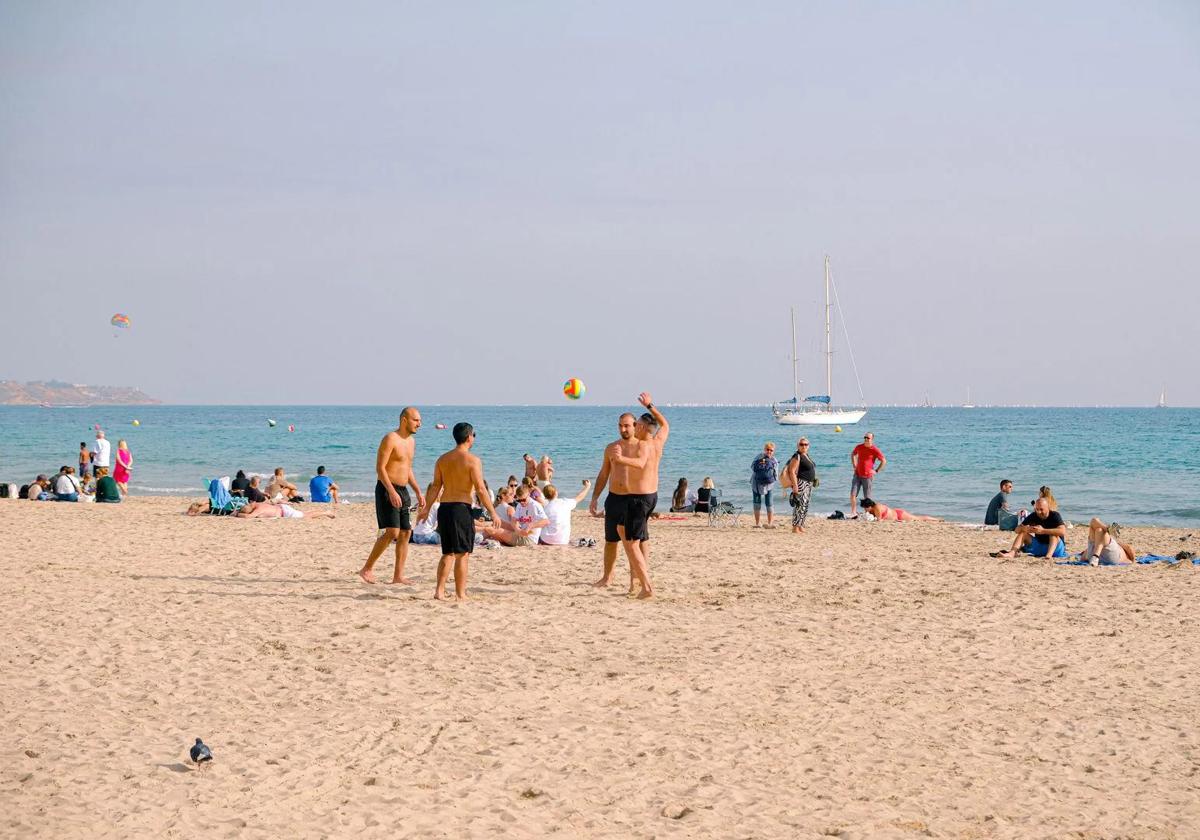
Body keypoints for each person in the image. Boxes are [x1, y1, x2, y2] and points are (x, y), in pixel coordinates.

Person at [593, 393, 668, 598]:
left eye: (628, 425)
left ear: (637, 426)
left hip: (637, 498)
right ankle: (610, 577)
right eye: (620, 426)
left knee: (635, 542)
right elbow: (603, 474)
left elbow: (641, 463)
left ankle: (641, 583)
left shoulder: (644, 444)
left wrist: (622, 459)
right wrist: (594, 498)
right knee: (614, 538)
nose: (623, 429)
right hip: (618, 498)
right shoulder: (613, 447)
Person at [419, 422, 497, 601]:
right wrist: (492, 512)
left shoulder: (442, 459)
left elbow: (436, 487)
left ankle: (439, 591)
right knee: (462, 554)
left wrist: (426, 508)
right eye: (473, 435)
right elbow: (480, 488)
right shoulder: (473, 460)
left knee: (448, 552)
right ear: (469, 437)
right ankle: (460, 594)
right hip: (461, 509)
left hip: (445, 509)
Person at [359, 407, 425, 585]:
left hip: (403, 491)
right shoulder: (390, 439)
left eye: (419, 420)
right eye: (416, 420)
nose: (420, 424)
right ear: (404, 420)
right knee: (392, 532)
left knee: (405, 533)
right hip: (386, 489)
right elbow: (380, 469)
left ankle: (398, 576)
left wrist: (418, 491)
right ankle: (367, 569)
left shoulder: (411, 442)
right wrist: (391, 491)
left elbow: (407, 468)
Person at [992, 498, 1067, 558]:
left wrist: (1043, 531)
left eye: (1041, 509)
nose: (1039, 512)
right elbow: (1017, 530)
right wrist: (1026, 529)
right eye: (1037, 509)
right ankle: (1012, 553)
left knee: (1053, 535)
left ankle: (1048, 556)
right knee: (1023, 534)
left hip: (1056, 548)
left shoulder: (1054, 515)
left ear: (1048, 508)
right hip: (1040, 547)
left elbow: (1062, 531)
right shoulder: (1034, 515)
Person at [781, 438, 817, 534]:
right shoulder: (797, 456)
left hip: (808, 484)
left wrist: (814, 478)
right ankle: (795, 527)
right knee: (799, 505)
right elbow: (792, 471)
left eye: (806, 444)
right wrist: (795, 486)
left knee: (805, 505)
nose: (804, 446)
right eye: (801, 444)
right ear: (798, 446)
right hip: (801, 483)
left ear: (808, 446)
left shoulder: (806, 455)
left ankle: (800, 525)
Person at [538, 480, 591, 545]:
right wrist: (587, 486)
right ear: (556, 493)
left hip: (546, 540)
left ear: (545, 496)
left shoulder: (545, 507)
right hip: (563, 540)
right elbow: (579, 497)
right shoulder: (565, 502)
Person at [849, 432, 885, 518]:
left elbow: (883, 461)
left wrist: (876, 470)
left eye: (868, 438)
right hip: (857, 475)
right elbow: (853, 454)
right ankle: (853, 512)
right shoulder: (859, 447)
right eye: (865, 437)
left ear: (872, 439)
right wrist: (854, 465)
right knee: (853, 494)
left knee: (867, 498)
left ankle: (867, 514)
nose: (866, 439)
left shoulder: (875, 449)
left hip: (868, 477)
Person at [751, 442, 780, 527]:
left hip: (769, 485)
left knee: (769, 503)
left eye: (771, 450)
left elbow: (776, 473)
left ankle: (770, 523)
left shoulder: (774, 460)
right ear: (764, 449)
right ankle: (757, 523)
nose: (769, 451)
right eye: (767, 449)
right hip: (756, 483)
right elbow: (753, 467)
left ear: (773, 451)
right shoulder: (759, 457)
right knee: (757, 503)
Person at [860, 497, 941, 522]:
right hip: (896, 515)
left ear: (869, 506)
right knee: (918, 518)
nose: (865, 509)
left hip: (899, 515)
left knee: (918, 518)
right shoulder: (871, 509)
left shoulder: (877, 507)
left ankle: (937, 520)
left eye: (865, 507)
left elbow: (879, 520)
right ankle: (936, 520)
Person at [237, 500, 334, 519]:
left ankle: (325, 513)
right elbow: (272, 501)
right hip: (282, 507)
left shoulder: (258, 509)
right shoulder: (258, 504)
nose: (250, 503)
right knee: (303, 513)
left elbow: (248, 517)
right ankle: (322, 511)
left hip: (285, 512)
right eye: (249, 504)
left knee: (305, 516)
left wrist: (237, 514)